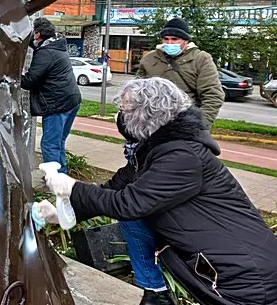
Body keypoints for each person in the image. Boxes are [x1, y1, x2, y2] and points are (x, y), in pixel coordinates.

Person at [37, 78, 277, 305]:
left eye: (125, 111)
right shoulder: (155, 151)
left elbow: (128, 204)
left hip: (247, 278)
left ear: (148, 116)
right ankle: (155, 293)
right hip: (227, 268)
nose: (118, 117)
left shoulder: (183, 157)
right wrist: (64, 212)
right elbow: (112, 190)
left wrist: (72, 186)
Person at [137, 17, 224, 129]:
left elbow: (213, 95)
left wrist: (199, 125)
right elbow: (137, 91)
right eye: (165, 39)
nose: (169, 43)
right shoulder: (149, 58)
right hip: (151, 123)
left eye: (174, 39)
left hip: (185, 122)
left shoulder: (201, 59)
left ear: (186, 40)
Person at [21, 17, 81, 173]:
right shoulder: (56, 45)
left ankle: (56, 182)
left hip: (58, 105)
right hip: (71, 101)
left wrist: (13, 75)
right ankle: (62, 176)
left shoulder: (45, 53)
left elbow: (30, 81)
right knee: (58, 142)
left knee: (49, 144)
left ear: (37, 34)